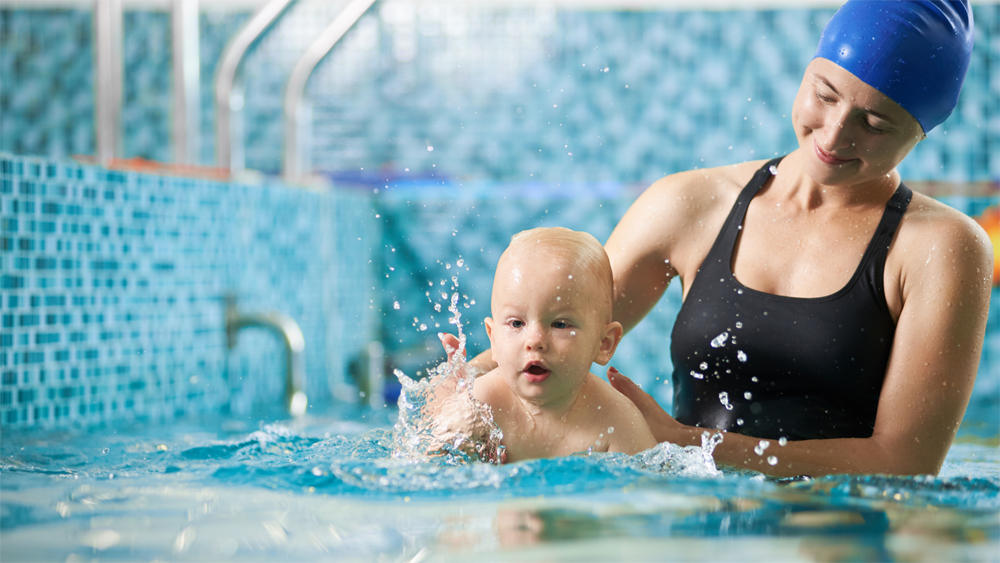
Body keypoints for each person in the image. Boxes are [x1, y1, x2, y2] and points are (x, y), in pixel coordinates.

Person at [460, 0, 991, 477]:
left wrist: (685, 443)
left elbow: (905, 463)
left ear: (923, 131)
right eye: (824, 94)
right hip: (691, 525)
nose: (833, 135)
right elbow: (552, 330)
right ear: (806, 73)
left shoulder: (941, 248)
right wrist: (454, 393)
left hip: (834, 538)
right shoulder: (692, 203)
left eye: (874, 124)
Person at [440, 227, 656, 462]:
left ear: (604, 343)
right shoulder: (479, 405)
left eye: (560, 324)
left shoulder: (617, 421)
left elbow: (647, 491)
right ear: (493, 337)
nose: (535, 340)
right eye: (516, 323)